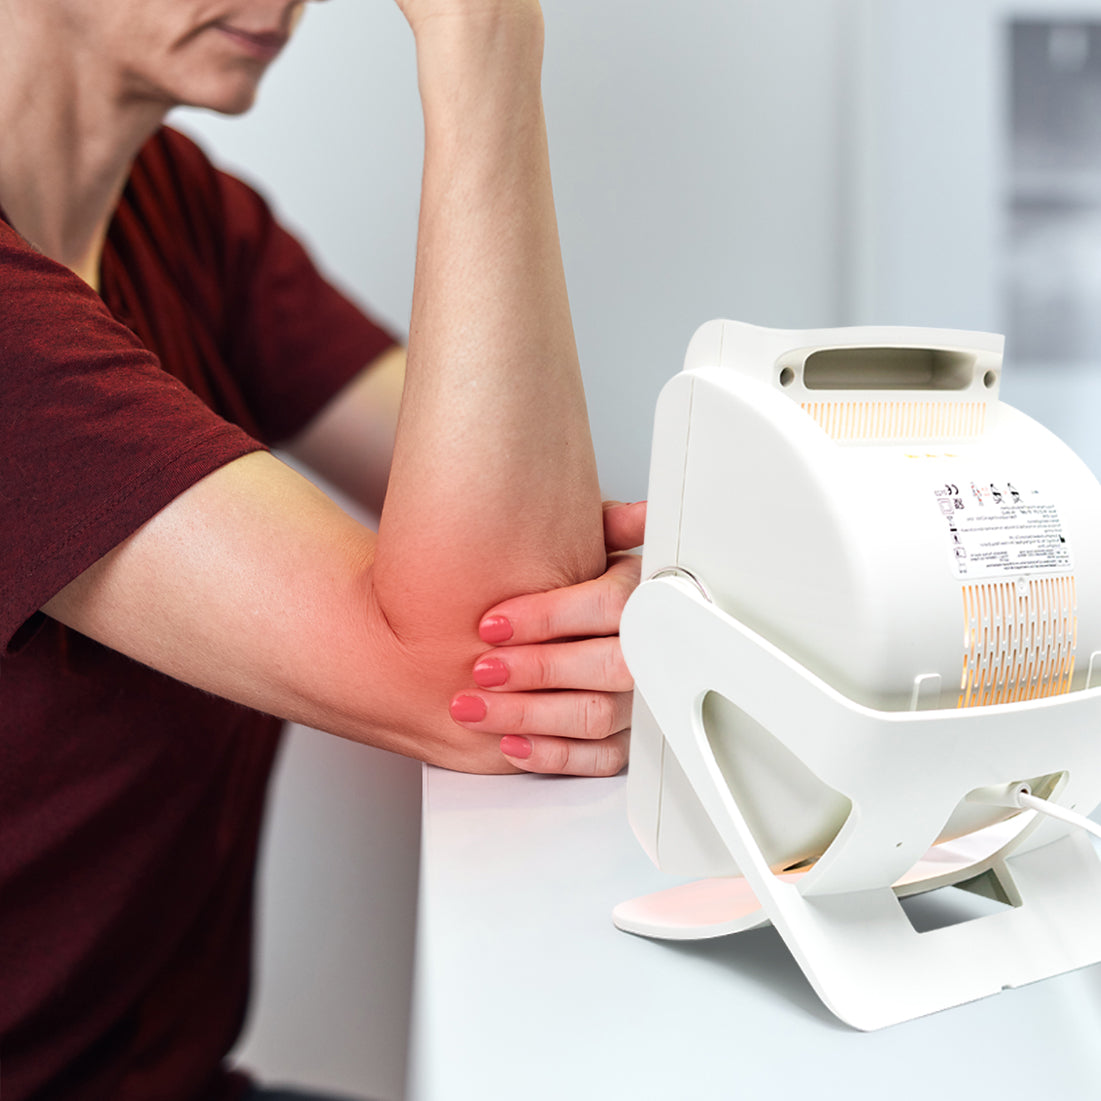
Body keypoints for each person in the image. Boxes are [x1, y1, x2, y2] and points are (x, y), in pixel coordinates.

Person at [0, 1, 644, 1098]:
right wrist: (484, 50)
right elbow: (468, 682)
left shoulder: (182, 210)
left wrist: (615, 590)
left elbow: (526, 567)